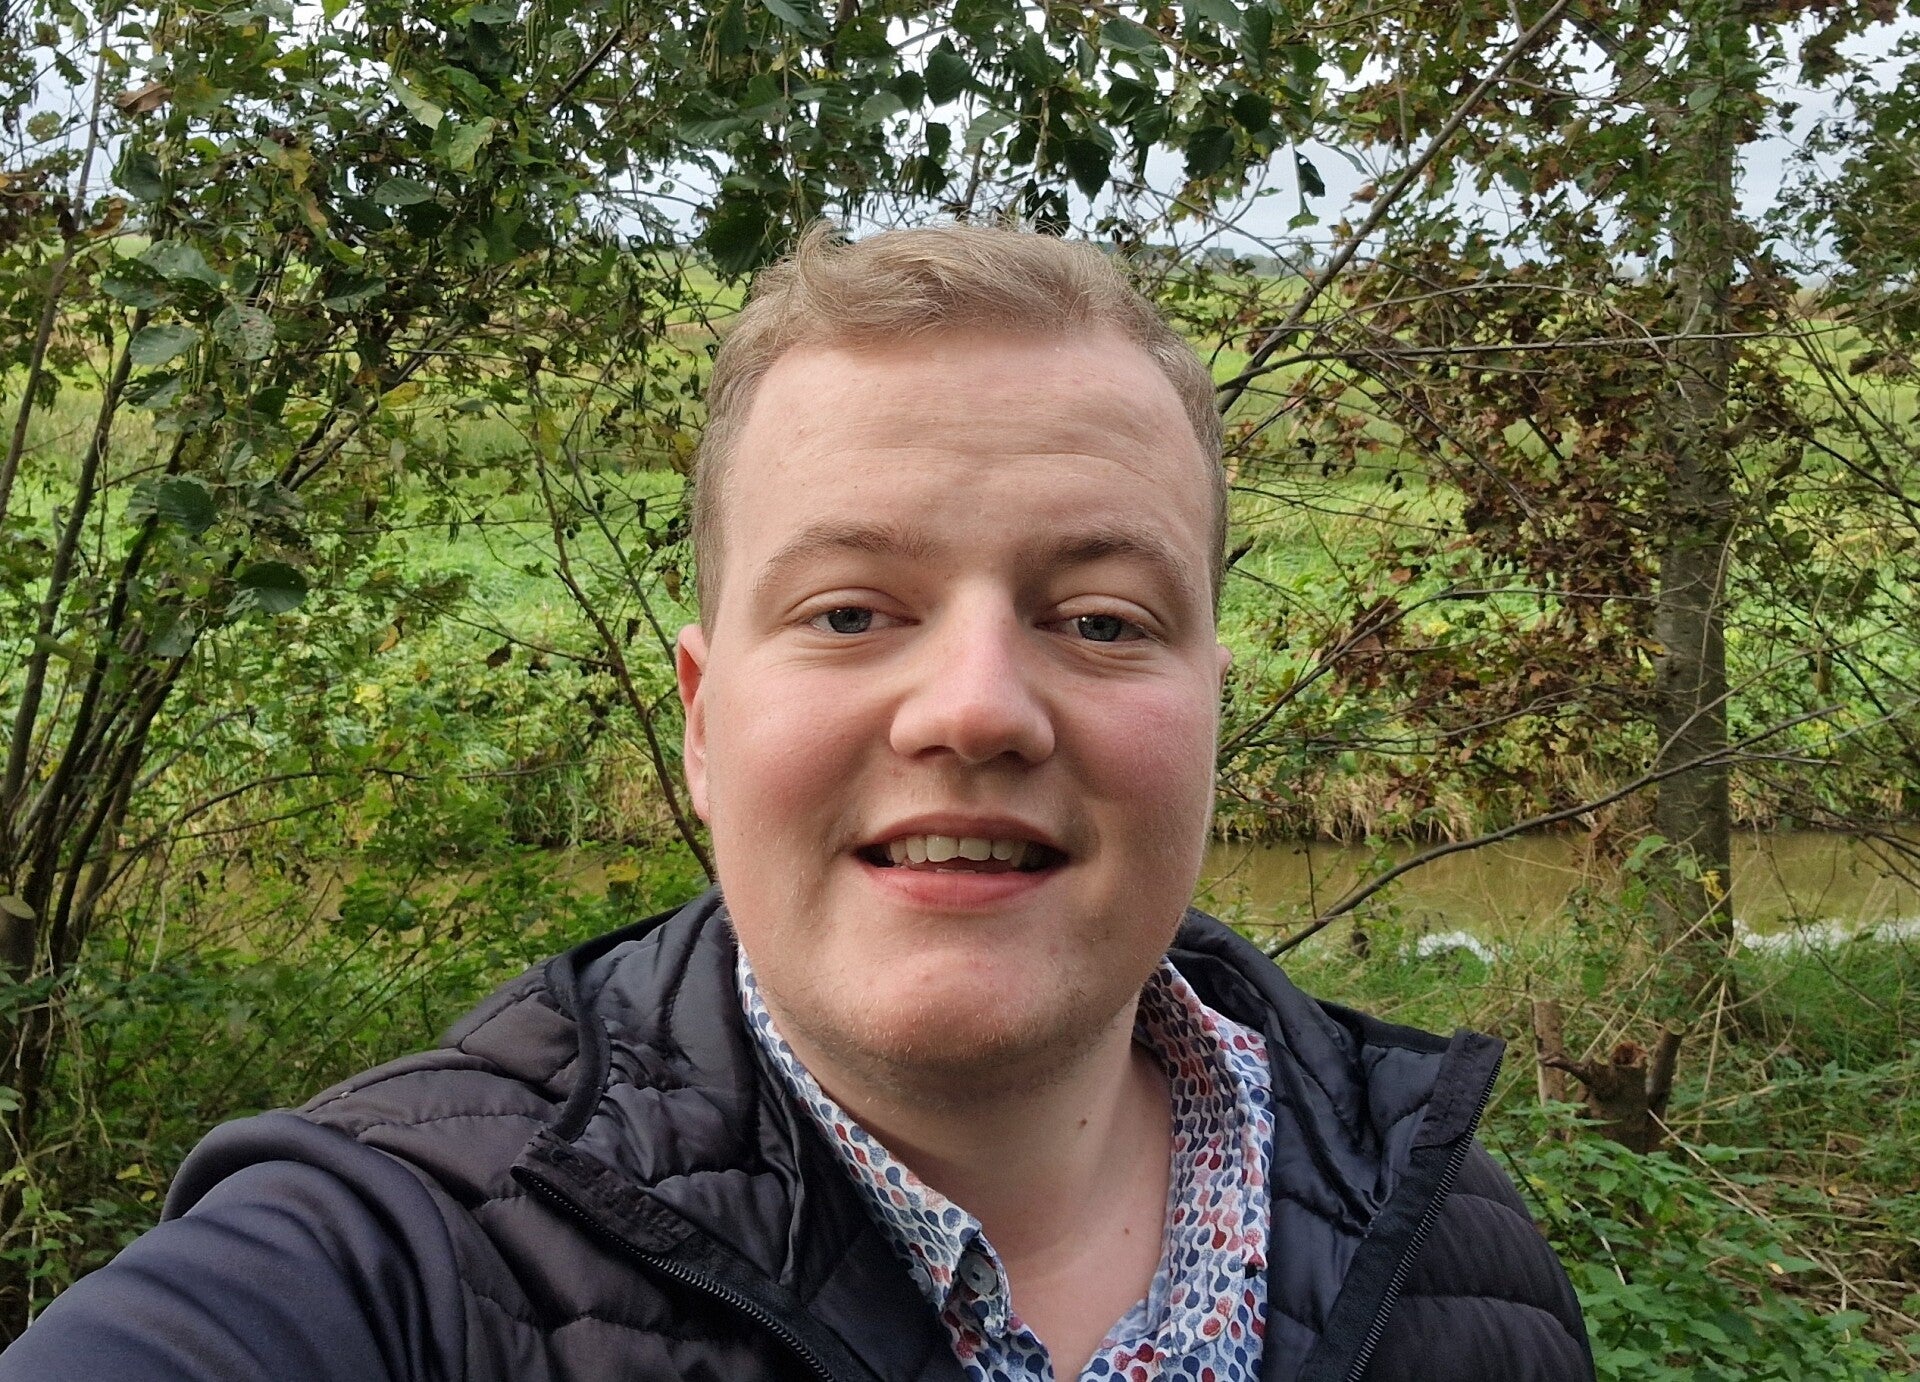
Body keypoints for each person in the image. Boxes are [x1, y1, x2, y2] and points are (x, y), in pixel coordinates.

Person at [0, 224, 1593, 1381]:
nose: (974, 705)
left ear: (1212, 713)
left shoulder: (1455, 1242)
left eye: (1103, 619)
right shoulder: (398, 1261)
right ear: (703, 721)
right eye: (849, 610)